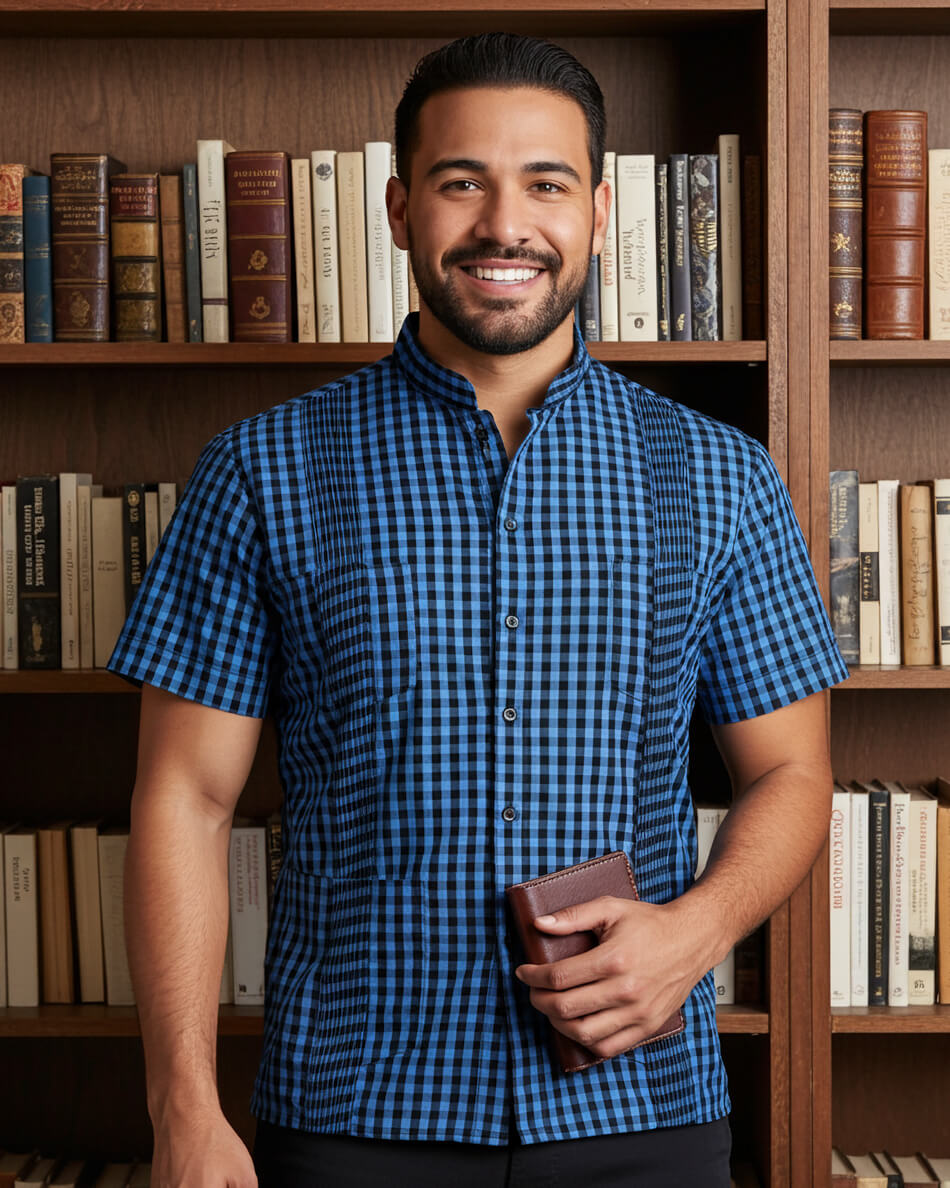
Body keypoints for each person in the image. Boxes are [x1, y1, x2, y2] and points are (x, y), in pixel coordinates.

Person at [109, 32, 849, 1188]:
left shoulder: (719, 477)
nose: (505, 225)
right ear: (400, 209)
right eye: (462, 182)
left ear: (598, 213)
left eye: (545, 184)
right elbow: (185, 799)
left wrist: (698, 932)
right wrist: (182, 1112)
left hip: (639, 1108)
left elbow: (793, 773)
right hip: (351, 1115)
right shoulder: (261, 471)